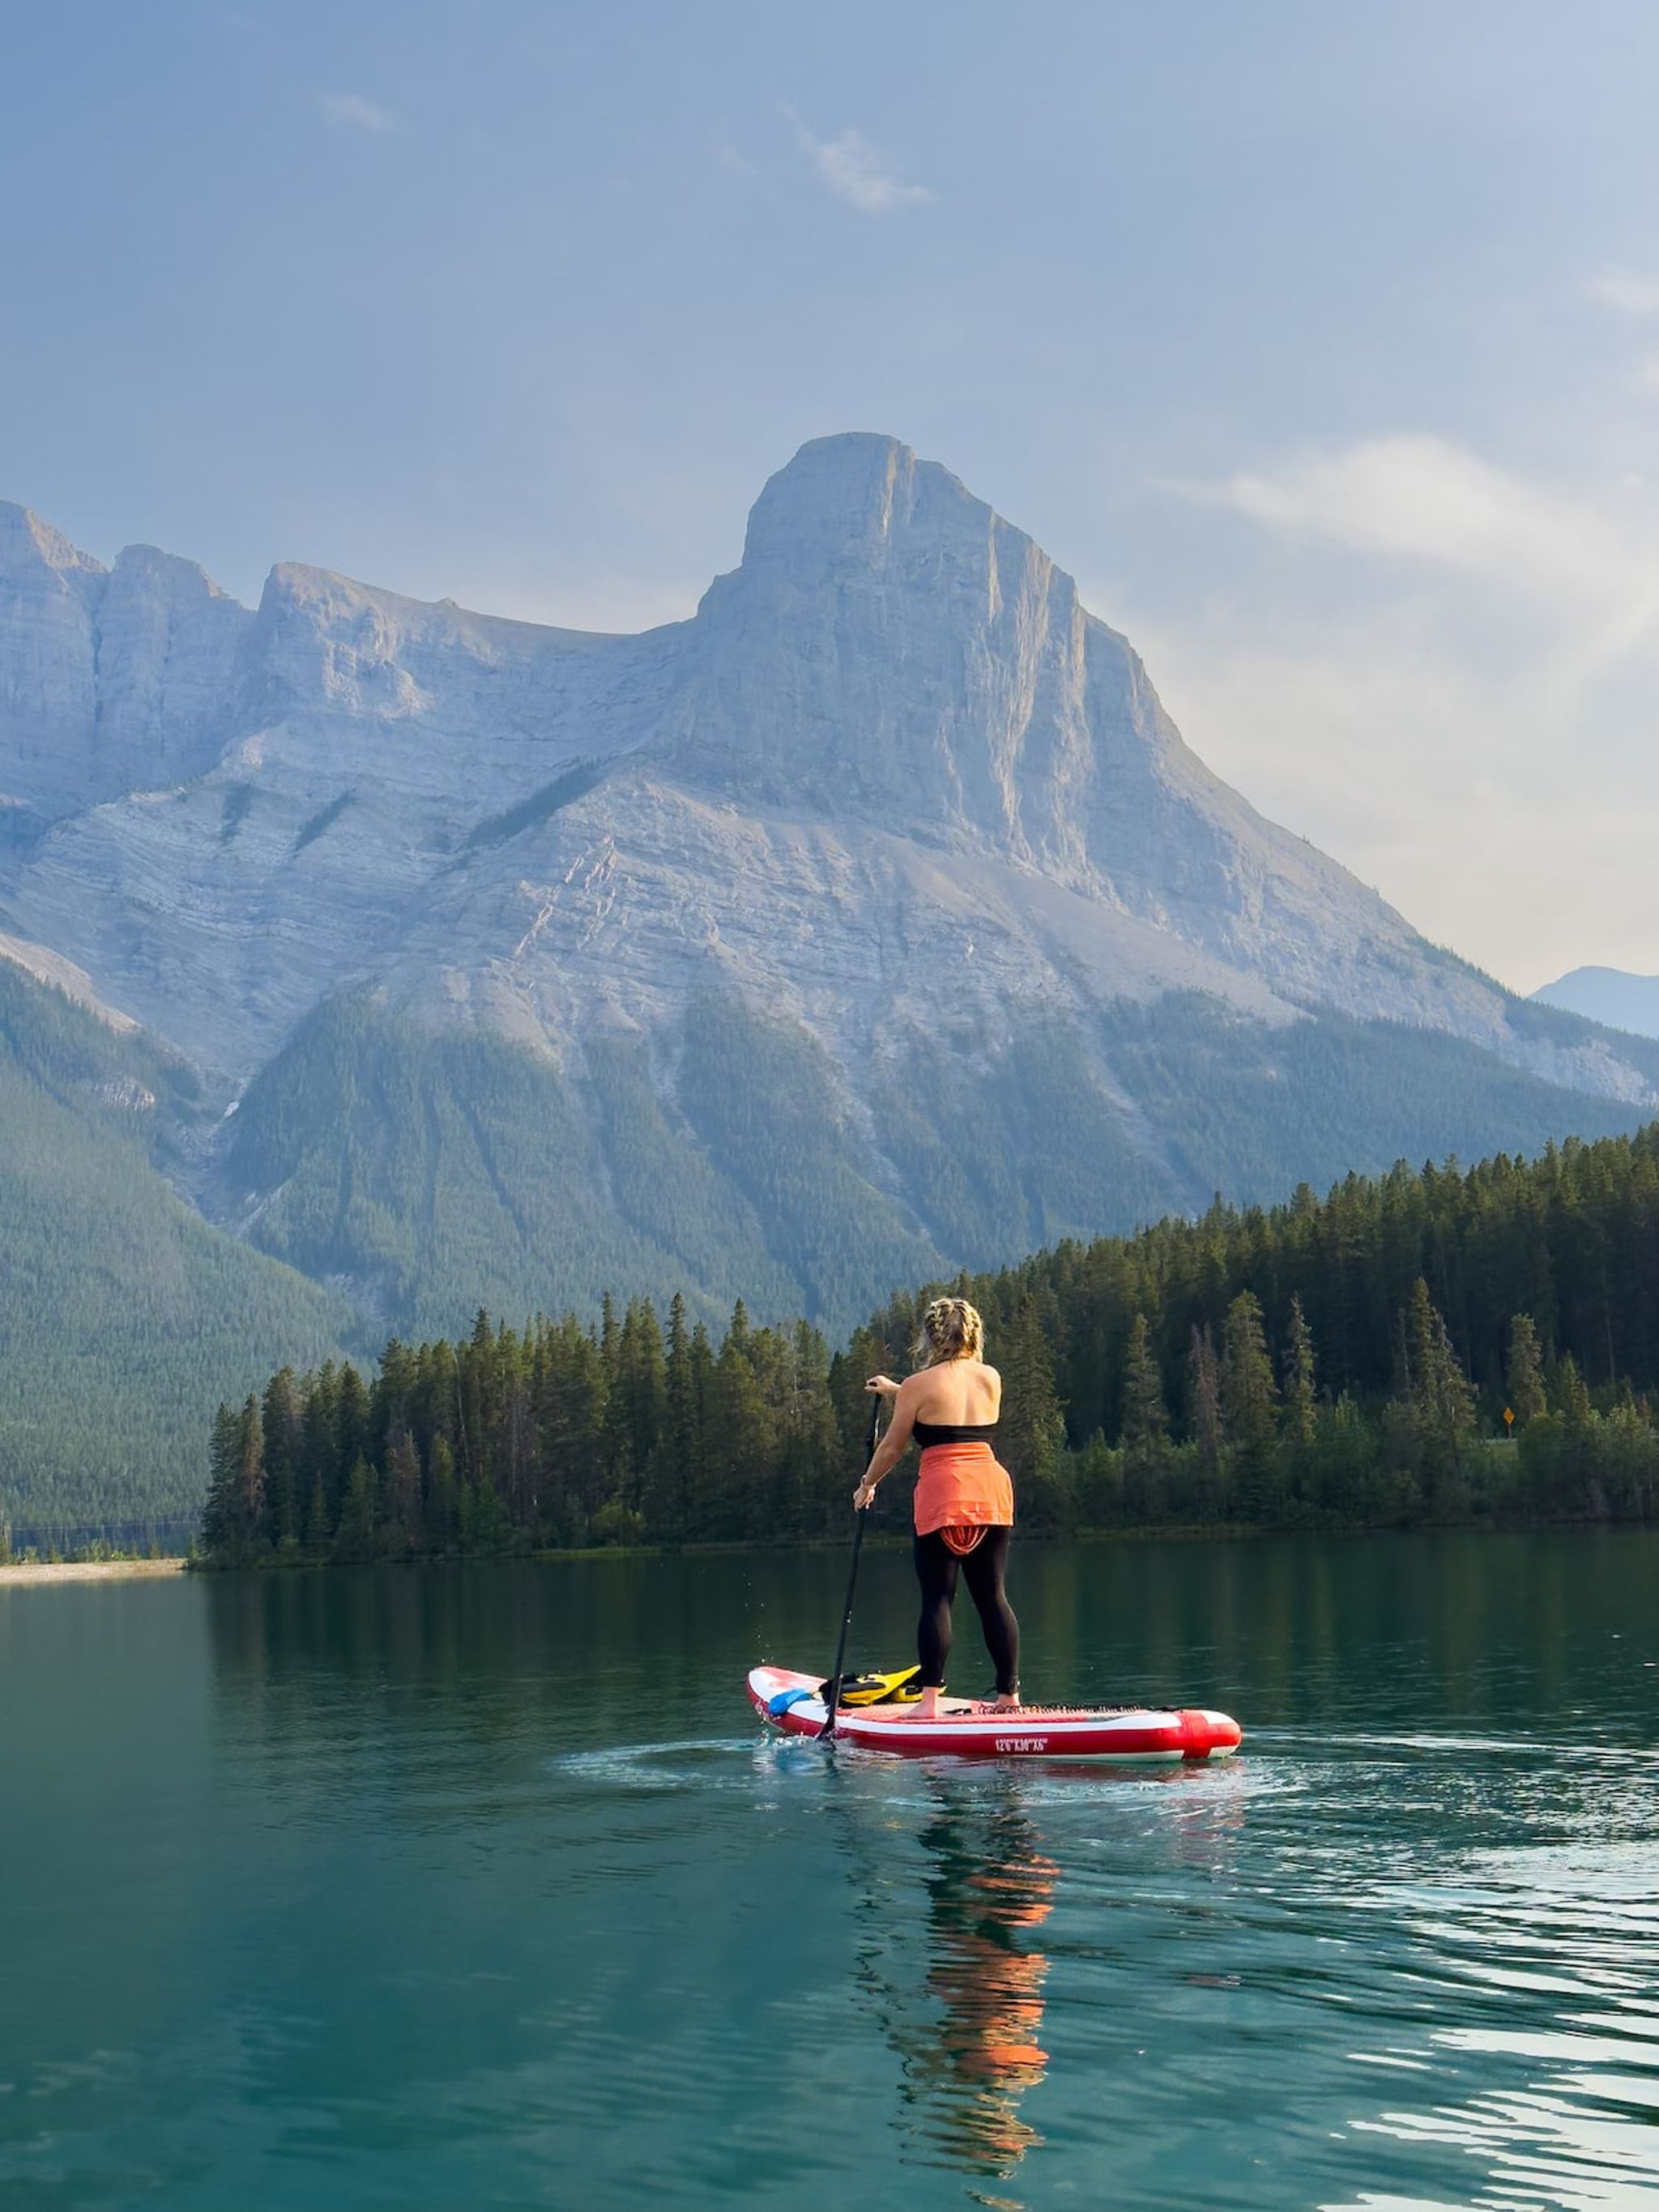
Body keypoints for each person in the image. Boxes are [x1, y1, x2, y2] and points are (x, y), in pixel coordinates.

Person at [855, 1295, 1020, 1718]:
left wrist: (867, 1483)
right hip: (990, 1490)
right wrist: (899, 1391)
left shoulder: (918, 1386)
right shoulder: (991, 1378)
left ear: (931, 1336)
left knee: (938, 1600)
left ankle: (927, 1704)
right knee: (993, 1598)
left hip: (944, 1493)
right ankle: (1009, 1697)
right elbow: (953, 1410)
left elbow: (893, 1445)